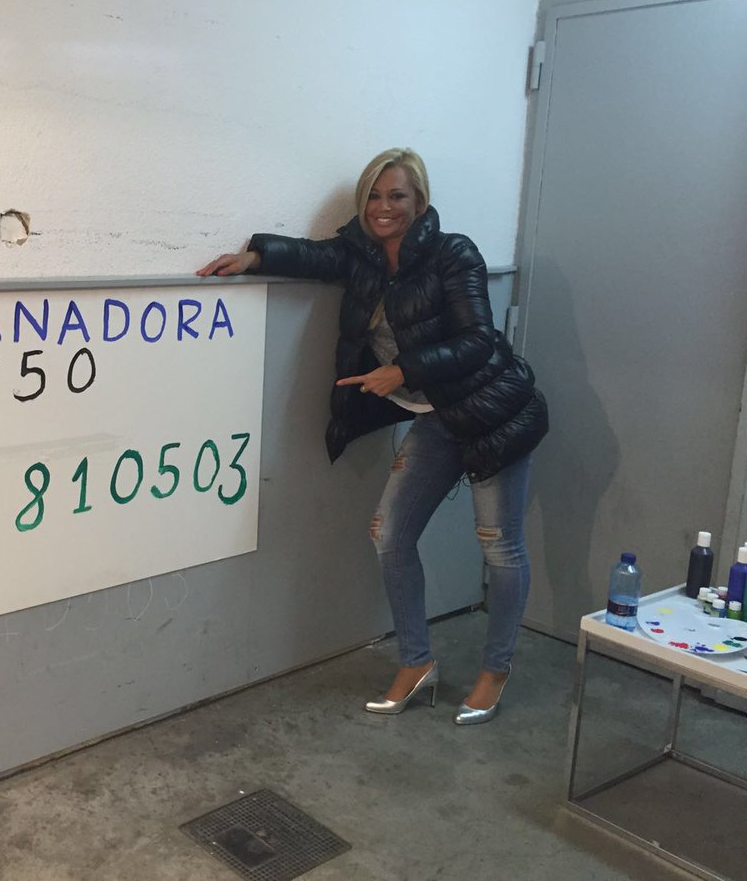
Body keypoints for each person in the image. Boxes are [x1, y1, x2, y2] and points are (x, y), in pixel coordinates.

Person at [197, 148, 548, 725]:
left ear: (420, 201)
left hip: (494, 414)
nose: (384, 207)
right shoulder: (361, 254)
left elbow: (479, 341)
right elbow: (313, 255)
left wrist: (402, 370)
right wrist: (252, 257)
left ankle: (494, 670)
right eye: (374, 197)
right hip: (436, 418)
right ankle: (417, 663)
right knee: (389, 534)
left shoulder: (454, 252)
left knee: (499, 546)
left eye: (397, 196)